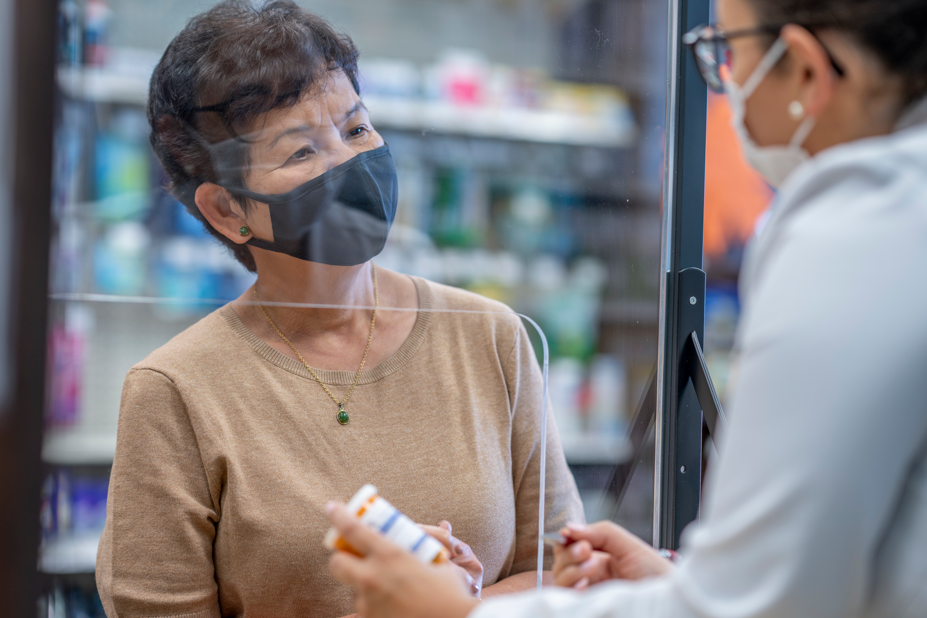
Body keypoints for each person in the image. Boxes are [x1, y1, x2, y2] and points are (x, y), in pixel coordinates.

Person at [324, 0, 927, 616]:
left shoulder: (860, 230)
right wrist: (676, 585)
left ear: (804, 70)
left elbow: (757, 603)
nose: (727, 82)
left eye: (730, 53)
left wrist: (458, 613)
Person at [94, 2, 584, 617]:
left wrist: (463, 601)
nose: (351, 166)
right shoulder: (175, 391)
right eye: (301, 152)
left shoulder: (489, 335)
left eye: (356, 130)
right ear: (227, 211)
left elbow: (564, 571)